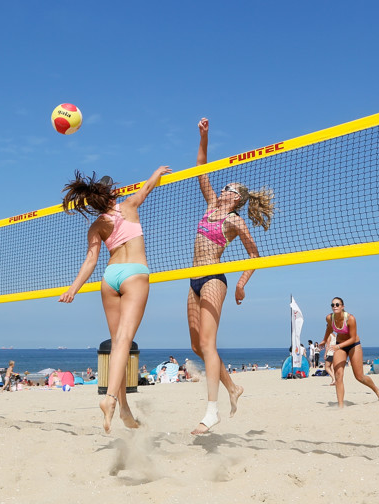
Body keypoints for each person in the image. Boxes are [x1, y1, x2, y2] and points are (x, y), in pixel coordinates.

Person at [59, 165, 171, 433]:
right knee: (123, 342)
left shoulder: (96, 226)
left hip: (110, 278)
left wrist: (74, 288)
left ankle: (124, 409)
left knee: (117, 345)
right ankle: (109, 400)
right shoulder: (129, 206)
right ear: (112, 195)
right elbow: (147, 187)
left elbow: (90, 260)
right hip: (134, 273)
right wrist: (156, 172)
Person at [187, 118, 274, 435]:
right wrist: (204, 136)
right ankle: (233, 388)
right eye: (224, 186)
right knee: (197, 346)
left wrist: (240, 283)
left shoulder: (236, 221)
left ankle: (211, 412)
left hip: (213, 279)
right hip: (193, 280)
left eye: (230, 188)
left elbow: (255, 255)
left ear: (237, 198)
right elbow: (200, 169)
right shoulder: (210, 202)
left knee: (209, 344)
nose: (224, 189)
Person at [319, 297, 379, 408]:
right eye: (332, 305)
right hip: (339, 346)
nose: (335, 306)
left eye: (337, 304)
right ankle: (340, 405)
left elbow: (352, 338)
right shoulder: (329, 318)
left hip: (353, 345)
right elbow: (329, 329)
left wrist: (337, 346)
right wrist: (324, 340)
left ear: (342, 306)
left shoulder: (350, 319)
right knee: (338, 375)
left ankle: (377, 390)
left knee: (359, 377)